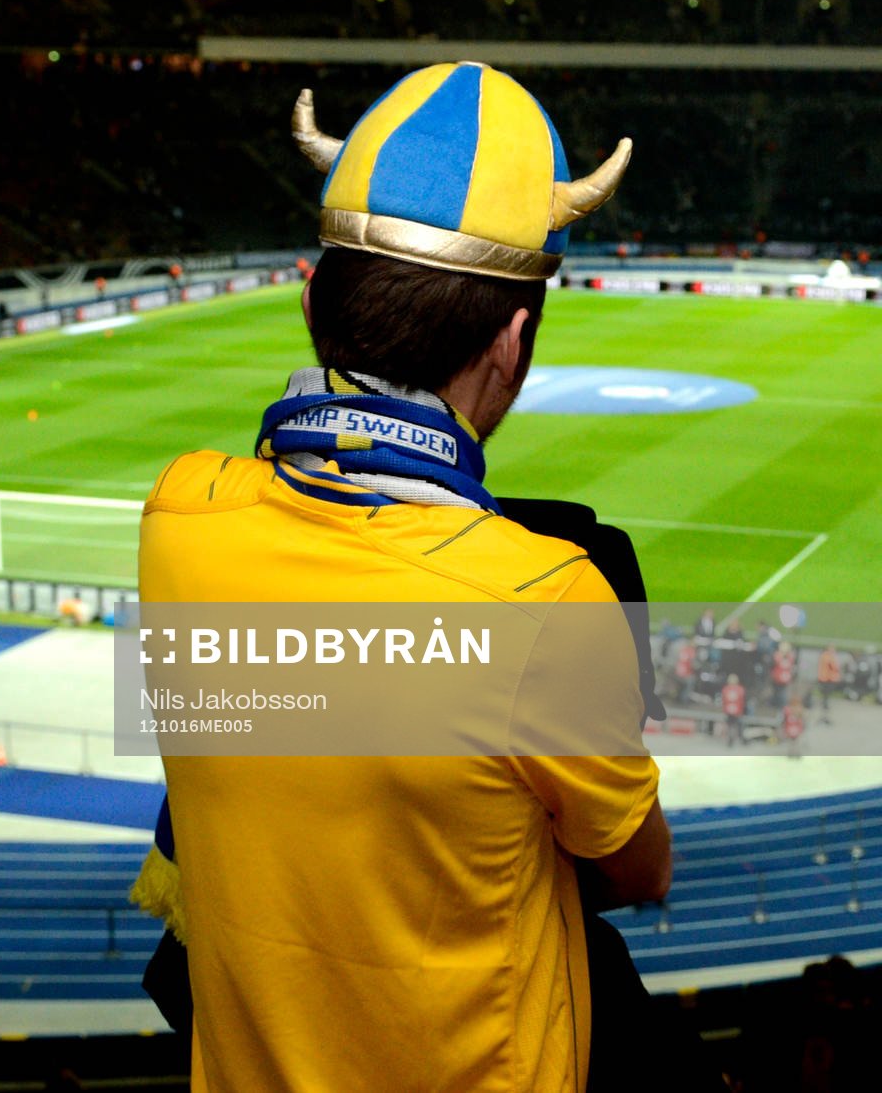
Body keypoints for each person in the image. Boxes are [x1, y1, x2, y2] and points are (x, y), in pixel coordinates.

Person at [131, 65, 670, 1093]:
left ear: (309, 300)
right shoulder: (545, 600)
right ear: (513, 342)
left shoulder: (180, 513)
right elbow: (638, 868)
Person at [721, 673, 748, 747]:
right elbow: (742, 701)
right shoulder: (740, 689)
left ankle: (731, 740)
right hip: (737, 709)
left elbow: (724, 701)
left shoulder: (726, 689)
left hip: (729, 709)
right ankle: (741, 739)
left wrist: (724, 710)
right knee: (738, 725)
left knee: (730, 726)